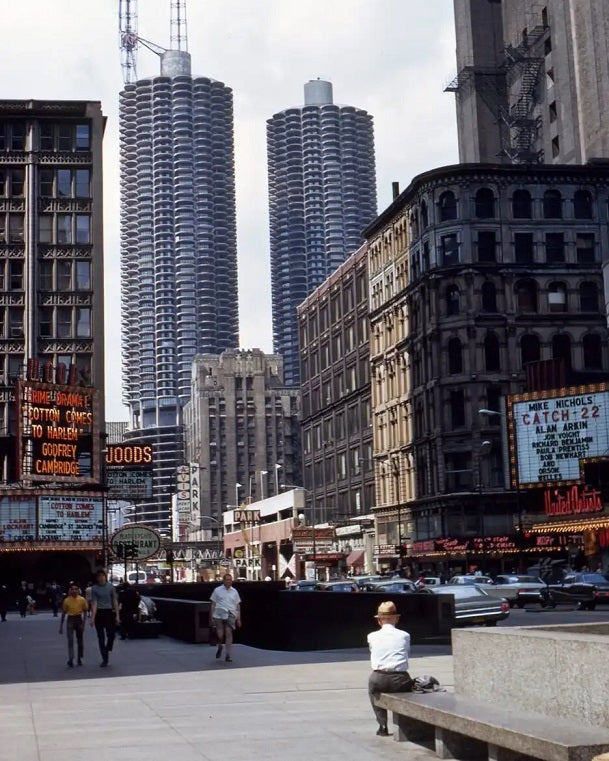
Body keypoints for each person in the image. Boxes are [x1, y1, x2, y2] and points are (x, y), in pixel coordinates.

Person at [367, 601, 413, 736]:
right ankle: (405, 725)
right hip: (401, 677)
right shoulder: (405, 635)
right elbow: (407, 653)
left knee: (373, 693)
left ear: (379, 621)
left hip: (379, 677)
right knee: (407, 692)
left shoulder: (371, 636)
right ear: (396, 619)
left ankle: (382, 725)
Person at [90, 569, 119, 667]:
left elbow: (115, 601)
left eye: (102, 576)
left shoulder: (111, 587)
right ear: (96, 578)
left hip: (109, 612)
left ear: (105, 577)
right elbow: (94, 603)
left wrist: (117, 615)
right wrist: (93, 618)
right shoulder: (94, 588)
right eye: (99, 577)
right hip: (99, 613)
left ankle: (108, 647)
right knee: (101, 637)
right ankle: (104, 658)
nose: (101, 578)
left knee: (111, 634)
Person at [210, 573, 241, 663]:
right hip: (219, 612)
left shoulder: (235, 591)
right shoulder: (217, 590)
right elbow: (213, 604)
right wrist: (212, 616)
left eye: (230, 580)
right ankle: (220, 644)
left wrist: (239, 619)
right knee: (220, 633)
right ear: (223, 580)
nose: (229, 581)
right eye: (227, 579)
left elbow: (238, 606)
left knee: (229, 633)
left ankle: (228, 654)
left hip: (231, 613)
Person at [59, 583, 88, 667]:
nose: (74, 590)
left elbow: (85, 611)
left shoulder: (82, 600)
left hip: (79, 619)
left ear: (78, 590)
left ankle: (79, 658)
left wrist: (84, 623)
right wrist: (61, 625)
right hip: (70, 619)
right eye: (72, 589)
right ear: (70, 591)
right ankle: (71, 658)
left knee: (80, 641)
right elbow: (64, 613)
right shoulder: (67, 600)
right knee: (70, 641)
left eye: (76, 589)